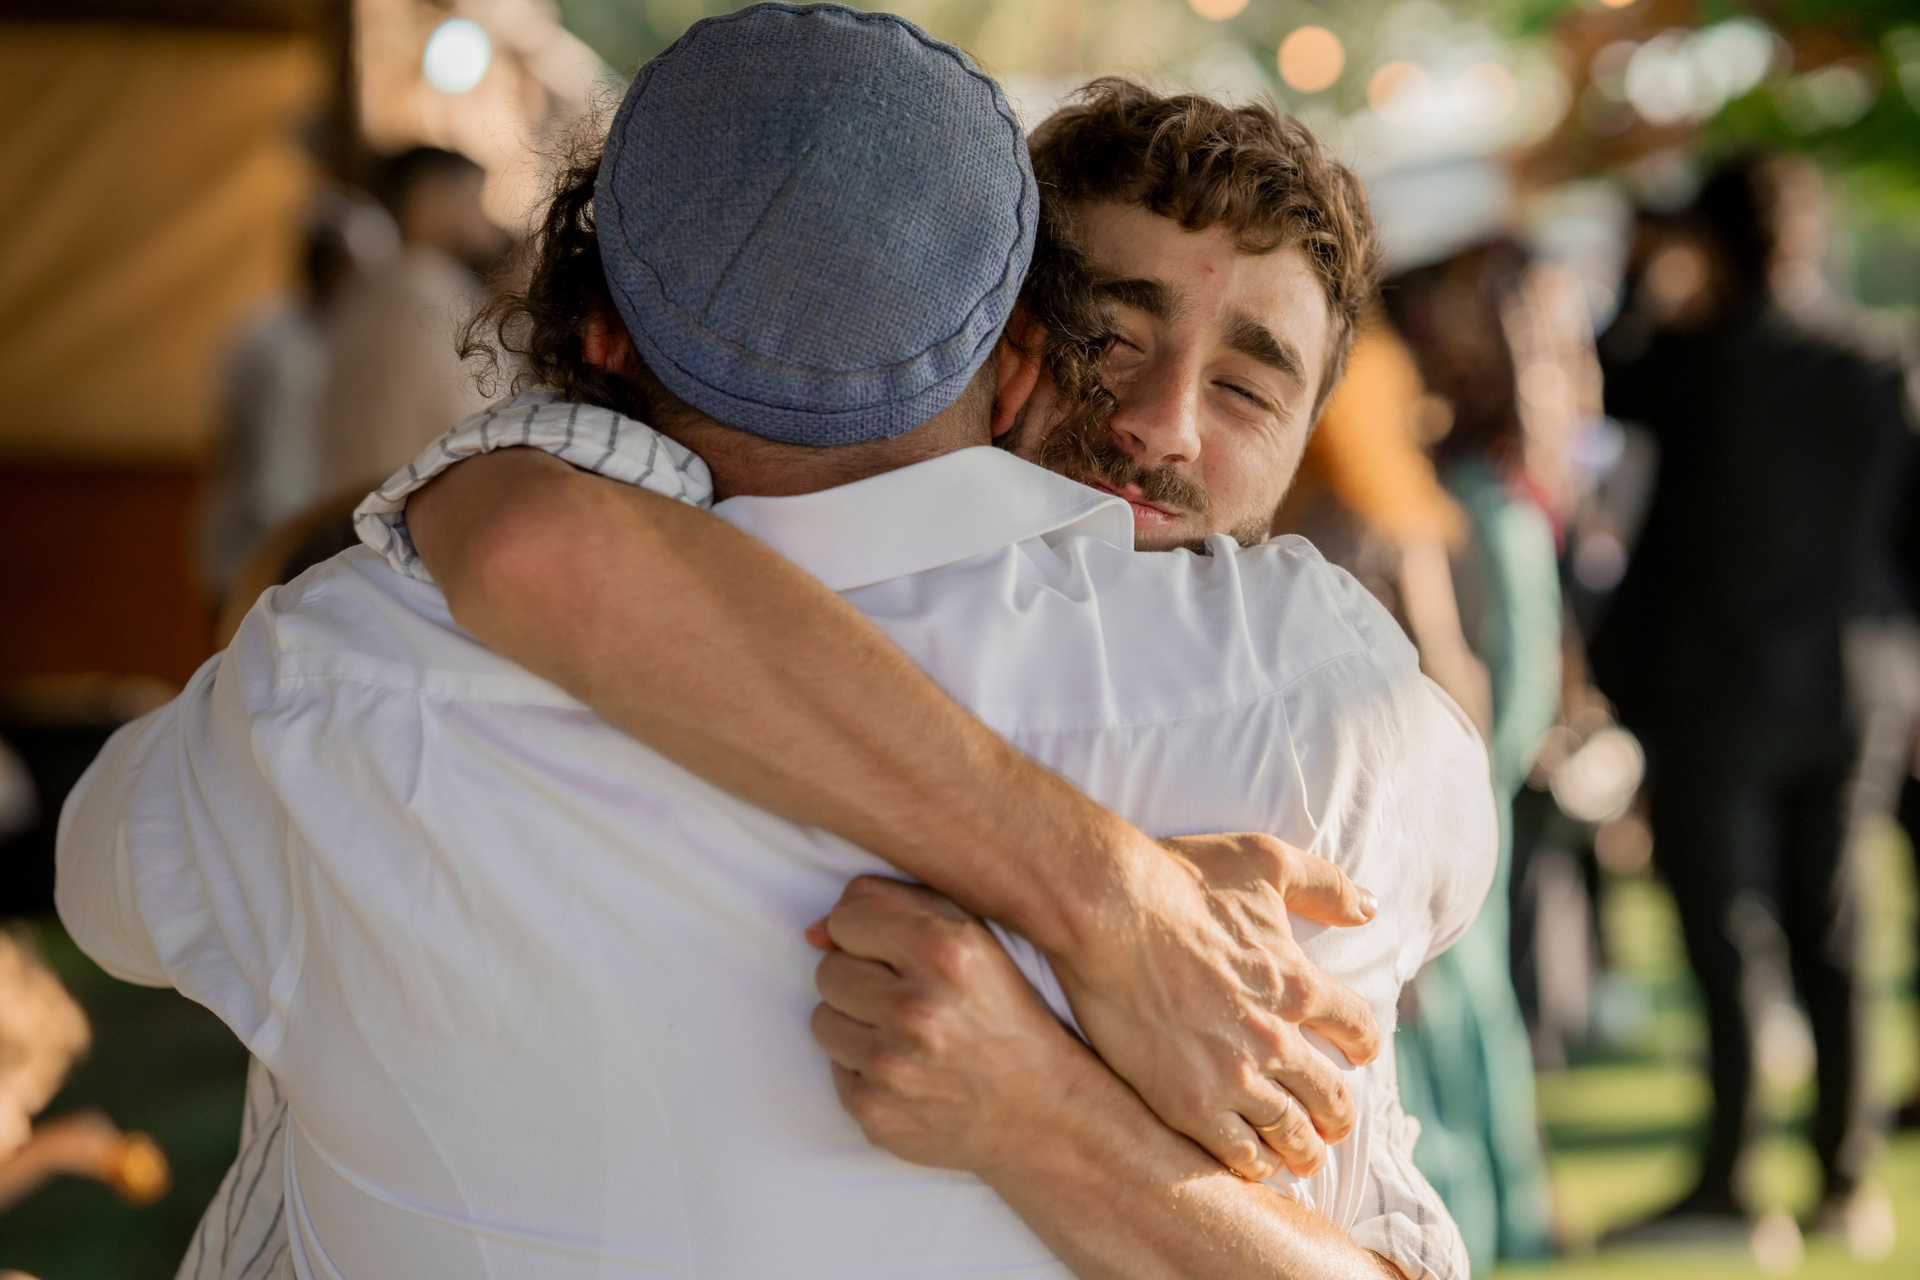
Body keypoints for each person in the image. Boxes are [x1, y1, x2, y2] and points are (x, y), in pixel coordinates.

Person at [64, 7, 1491, 1277]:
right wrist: (1100, 903)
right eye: (1114, 340)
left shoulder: (356, 664)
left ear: (596, 335)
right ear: (1020, 358)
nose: (1160, 426)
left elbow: (104, 879)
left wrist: (1047, 1106)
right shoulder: (1318, 701)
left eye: (1247, 386)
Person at [1593, 155, 1912, 1245]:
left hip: (1712, 692)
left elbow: (1606, 372)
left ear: (1710, 241)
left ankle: (1732, 1179)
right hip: (1851, 692)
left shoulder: (1693, 359)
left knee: (1725, 936)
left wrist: (1643, 272)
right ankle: (1846, 1179)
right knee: (1836, 931)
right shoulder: (1877, 362)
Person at [1381, 242, 1566, 1270]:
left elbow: (1495, 680)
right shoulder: (1485, 481)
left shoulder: (1456, 495)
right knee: (1476, 1007)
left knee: (1452, 1016)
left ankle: (1487, 1234)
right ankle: (1507, 1229)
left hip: (1450, 785)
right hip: (1468, 780)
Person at [315, 146, 505, 501]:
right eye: (472, 201)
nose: (486, 222)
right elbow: (481, 425)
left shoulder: (359, 294)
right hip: (424, 513)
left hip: (357, 511)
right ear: (428, 203)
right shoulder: (435, 297)